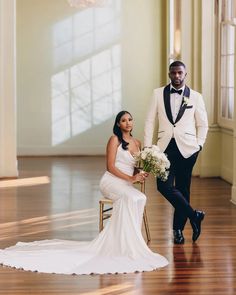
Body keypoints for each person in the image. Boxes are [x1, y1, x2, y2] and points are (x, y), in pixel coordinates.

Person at [0, 110, 168, 275]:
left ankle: (131, 240)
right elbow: (110, 167)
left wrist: (142, 172)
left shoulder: (137, 143)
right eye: (123, 120)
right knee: (132, 198)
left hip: (126, 184)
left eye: (130, 119)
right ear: (118, 124)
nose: (128, 123)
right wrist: (131, 179)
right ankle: (124, 243)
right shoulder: (114, 140)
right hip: (111, 181)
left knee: (140, 197)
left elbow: (133, 168)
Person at [144, 61, 208, 244]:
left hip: (188, 149)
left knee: (183, 189)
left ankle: (178, 230)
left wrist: (199, 145)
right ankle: (194, 215)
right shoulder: (157, 94)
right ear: (169, 74)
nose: (177, 76)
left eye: (180, 73)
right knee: (163, 186)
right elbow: (149, 121)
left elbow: (203, 124)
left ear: (185, 74)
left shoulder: (195, 97)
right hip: (163, 149)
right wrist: (149, 148)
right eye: (173, 73)